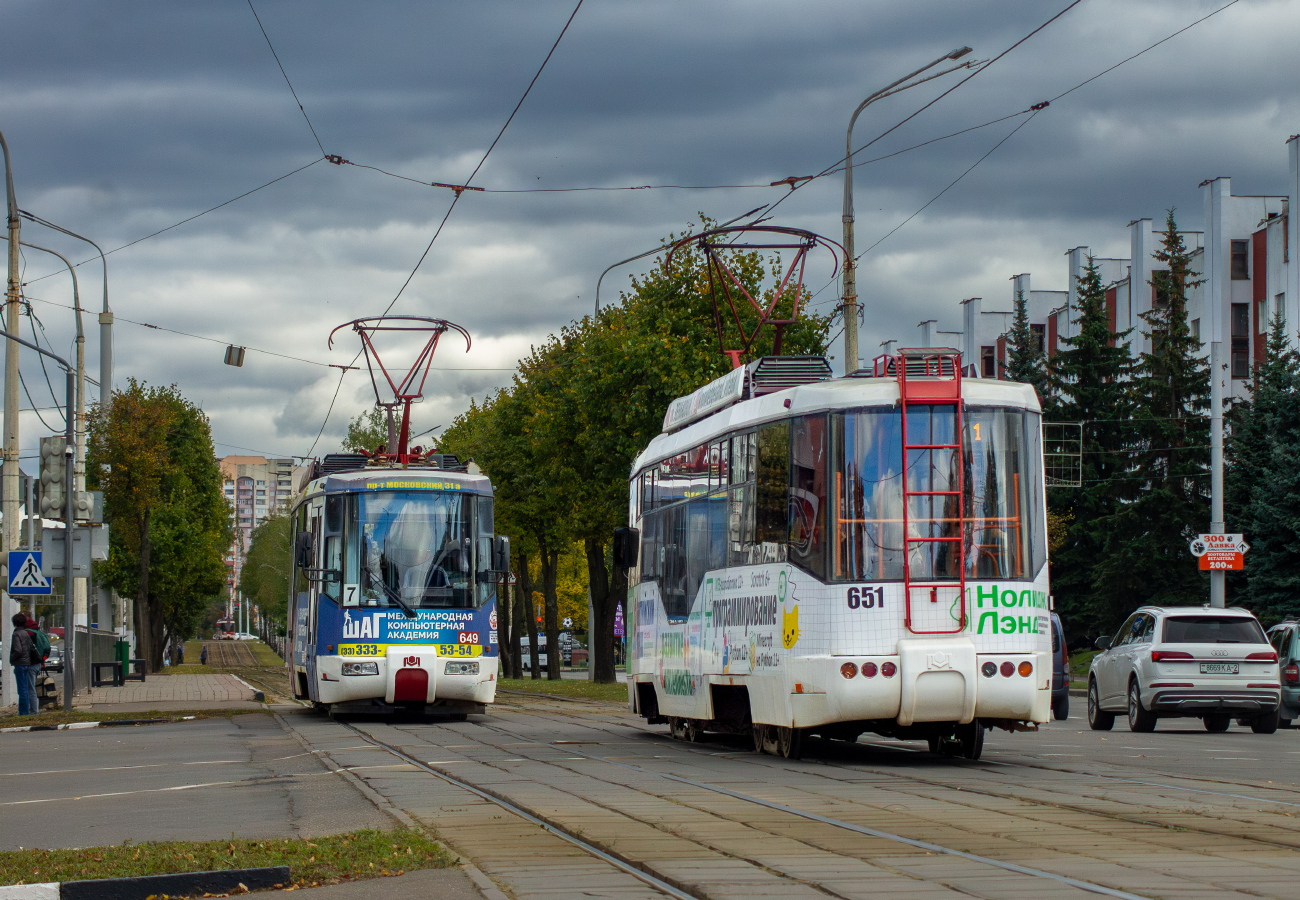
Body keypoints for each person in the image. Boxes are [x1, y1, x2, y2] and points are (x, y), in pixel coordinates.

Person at [9, 613, 40, 716]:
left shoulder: (16, 634)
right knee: (26, 689)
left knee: (22, 690)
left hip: (20, 663)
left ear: (15, 623)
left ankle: (23, 712)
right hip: (27, 663)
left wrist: (12, 657)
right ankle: (26, 711)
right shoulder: (26, 633)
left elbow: (18, 650)